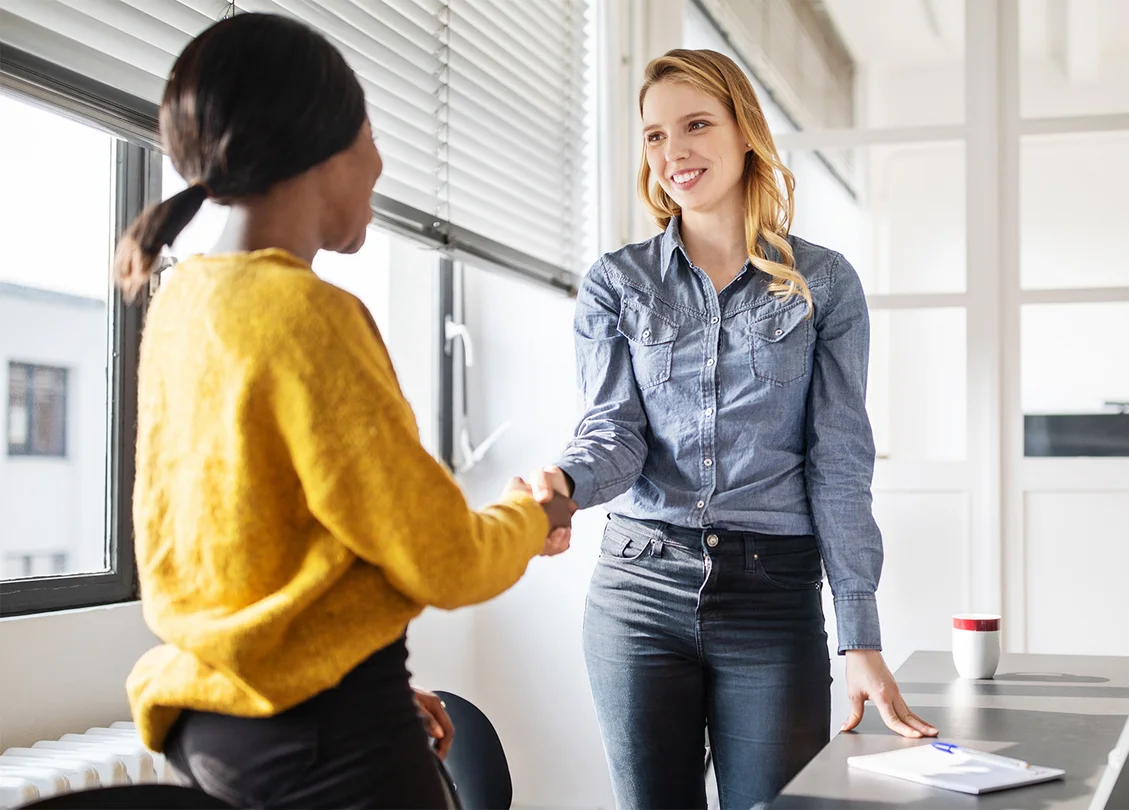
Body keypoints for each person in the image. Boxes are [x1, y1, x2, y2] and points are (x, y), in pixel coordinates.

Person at [115, 13, 574, 809]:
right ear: (318, 147)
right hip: (322, 742)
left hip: (223, 730)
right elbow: (446, 557)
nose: (381, 163)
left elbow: (249, 553)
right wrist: (535, 514)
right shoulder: (307, 314)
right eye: (368, 133)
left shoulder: (184, 302)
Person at [530, 48, 937, 810]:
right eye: (654, 136)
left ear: (743, 130)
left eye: (694, 125)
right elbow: (614, 432)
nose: (673, 152)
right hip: (638, 593)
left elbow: (839, 463)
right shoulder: (618, 283)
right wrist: (565, 489)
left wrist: (862, 638)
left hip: (771, 596)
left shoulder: (825, 283)